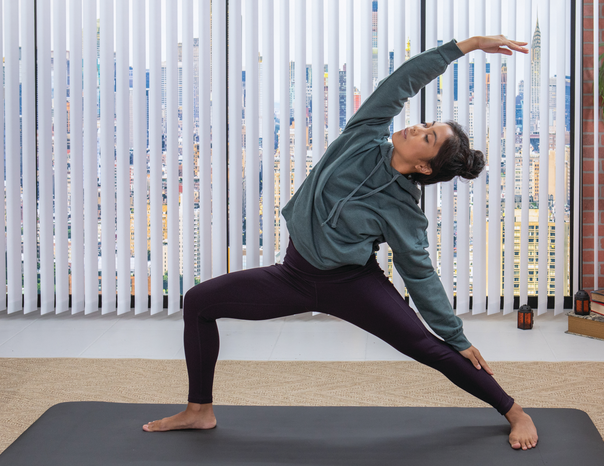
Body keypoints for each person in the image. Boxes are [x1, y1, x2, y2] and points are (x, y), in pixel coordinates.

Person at [143, 34, 538, 451]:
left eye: (426, 137)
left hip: (351, 285)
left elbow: (419, 273)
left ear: (423, 165)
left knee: (429, 348)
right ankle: (199, 410)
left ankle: (514, 411)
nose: (415, 127)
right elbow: (401, 82)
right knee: (199, 302)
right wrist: (467, 45)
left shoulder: (403, 208)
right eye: (425, 124)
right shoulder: (363, 136)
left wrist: (456, 335)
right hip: (292, 276)